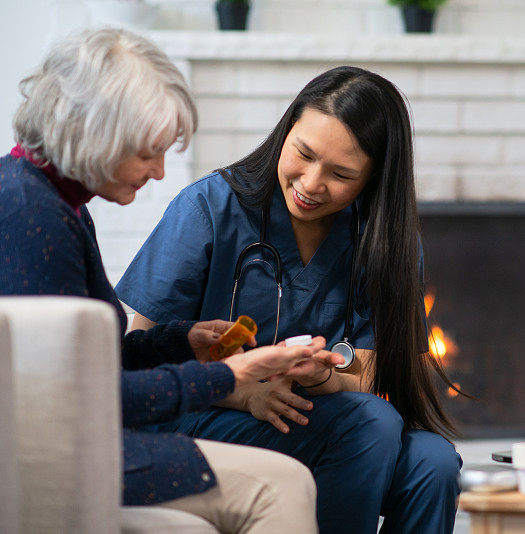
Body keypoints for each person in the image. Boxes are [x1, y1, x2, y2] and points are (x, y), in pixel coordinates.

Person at [0, 28, 346, 533]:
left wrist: (178, 340)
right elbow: (87, 399)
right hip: (58, 455)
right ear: (95, 134)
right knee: (282, 484)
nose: (161, 172)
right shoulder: (32, 217)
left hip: (76, 437)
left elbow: (81, 363)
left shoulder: (50, 199)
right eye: (147, 153)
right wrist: (234, 375)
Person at [115, 66, 464, 534]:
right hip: (199, 415)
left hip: (316, 414)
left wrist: (324, 377)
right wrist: (241, 391)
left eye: (341, 174)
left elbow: (378, 368)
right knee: (371, 423)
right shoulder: (208, 209)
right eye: (303, 154)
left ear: (373, 180)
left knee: (434, 462)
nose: (312, 183)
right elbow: (140, 354)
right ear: (285, 132)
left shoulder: (386, 241)